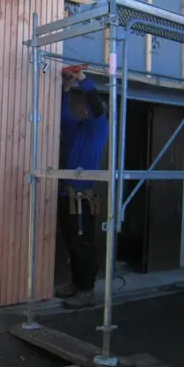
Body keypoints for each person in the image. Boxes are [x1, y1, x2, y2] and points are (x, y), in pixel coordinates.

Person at [56, 68, 109, 309]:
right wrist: (66, 88)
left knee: (83, 243)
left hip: (82, 197)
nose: (89, 109)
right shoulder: (77, 127)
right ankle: (76, 284)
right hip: (66, 194)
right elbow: (62, 114)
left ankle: (87, 291)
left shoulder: (99, 127)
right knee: (70, 240)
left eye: (93, 108)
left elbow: (97, 106)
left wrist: (82, 80)